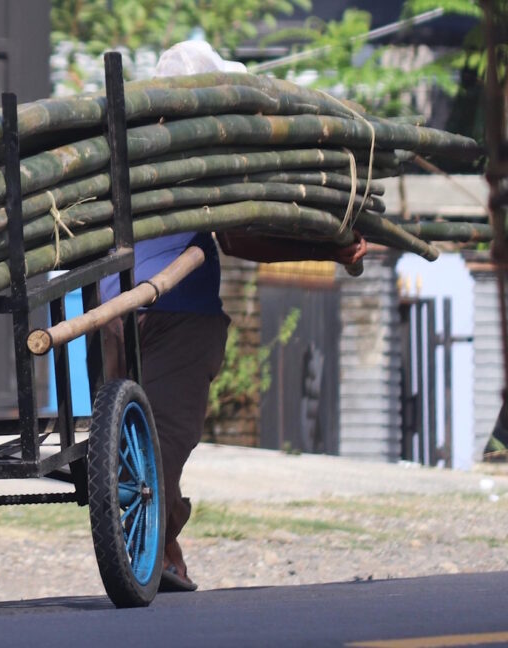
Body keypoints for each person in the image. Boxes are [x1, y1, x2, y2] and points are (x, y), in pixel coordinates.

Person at [100, 41, 368, 593]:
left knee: (133, 441)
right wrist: (329, 250)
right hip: (175, 313)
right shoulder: (203, 152)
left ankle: (163, 550)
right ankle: (159, 548)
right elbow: (240, 238)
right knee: (161, 441)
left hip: (107, 310)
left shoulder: (120, 144)